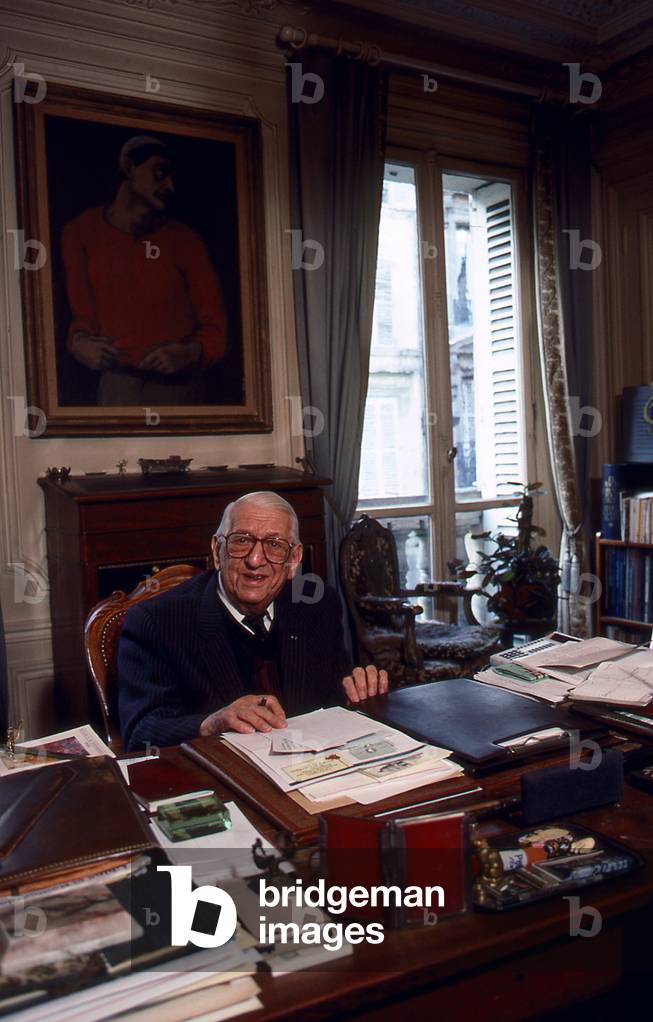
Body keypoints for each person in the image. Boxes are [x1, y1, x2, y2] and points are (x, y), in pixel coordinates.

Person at [118, 491, 388, 751]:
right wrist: (210, 724)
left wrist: (355, 689)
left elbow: (330, 698)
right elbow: (140, 733)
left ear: (294, 560)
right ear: (217, 550)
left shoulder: (316, 605)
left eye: (274, 545)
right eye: (242, 541)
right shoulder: (156, 622)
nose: (255, 560)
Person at [61, 135, 228, 406]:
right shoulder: (79, 233)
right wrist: (79, 343)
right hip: (117, 388)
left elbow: (216, 330)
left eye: (172, 177)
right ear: (129, 168)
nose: (170, 186)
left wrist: (190, 353)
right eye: (160, 173)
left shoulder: (185, 240)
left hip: (182, 391)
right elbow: (82, 319)